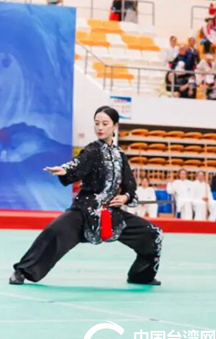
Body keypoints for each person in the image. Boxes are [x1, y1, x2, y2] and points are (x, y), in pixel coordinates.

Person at [10, 106, 163, 286]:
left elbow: (130, 184)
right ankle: (22, 271)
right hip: (84, 211)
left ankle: (141, 276)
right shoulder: (92, 150)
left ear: (115, 125)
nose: (100, 127)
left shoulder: (120, 155)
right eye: (97, 123)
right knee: (53, 232)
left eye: (105, 123)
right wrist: (64, 170)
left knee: (153, 234)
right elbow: (78, 164)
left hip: (111, 214)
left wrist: (126, 197)